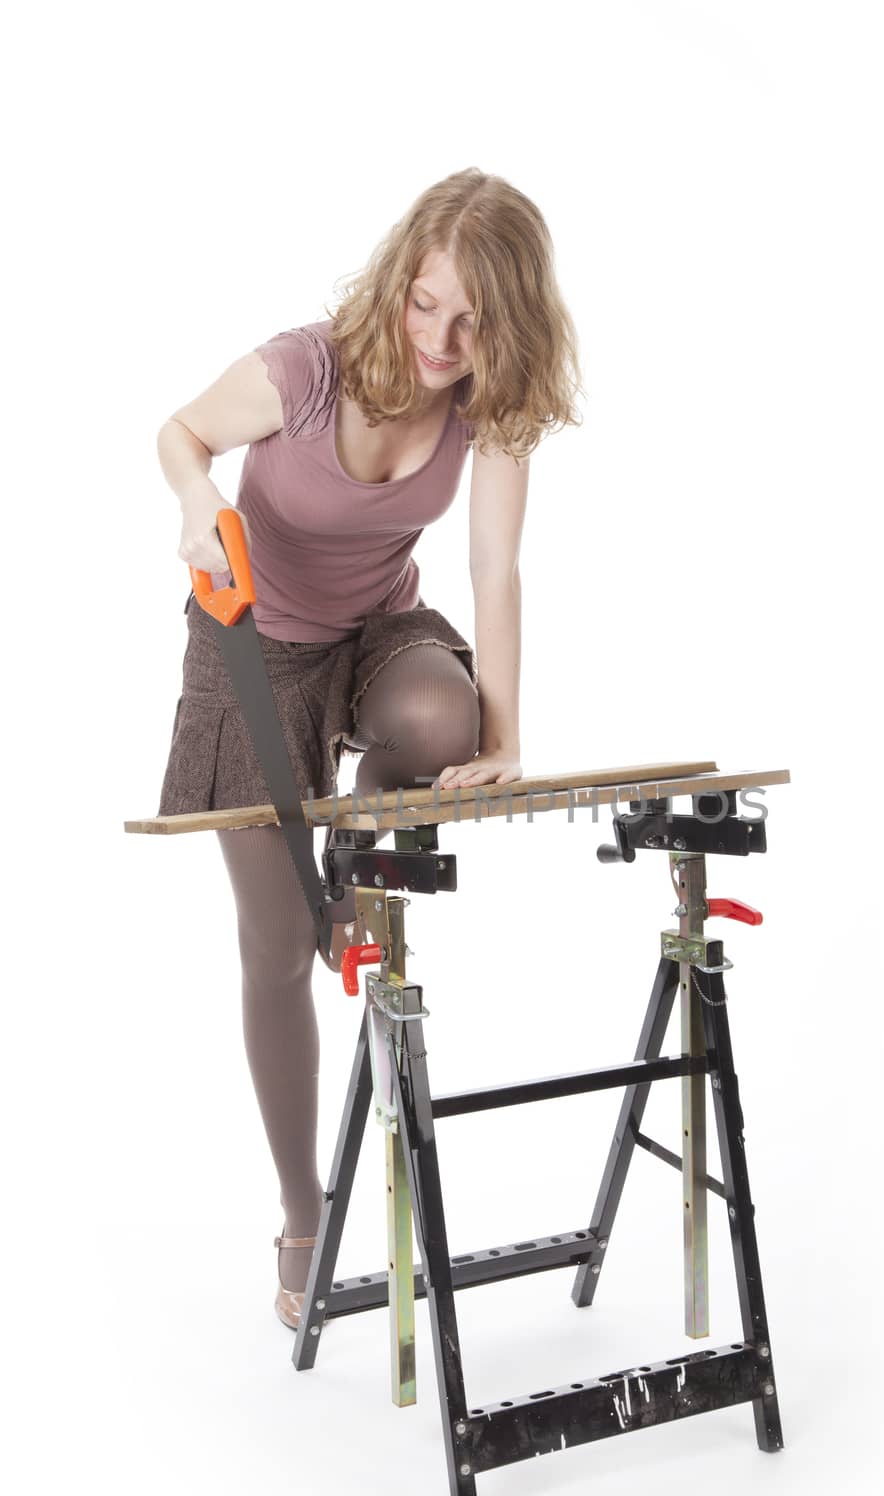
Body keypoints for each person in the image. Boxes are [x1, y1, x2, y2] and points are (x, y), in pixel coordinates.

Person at [154, 168, 582, 1328]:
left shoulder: (489, 402)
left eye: (474, 318)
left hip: (376, 634)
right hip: (257, 646)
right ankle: (302, 1212)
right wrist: (198, 503)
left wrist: (502, 737)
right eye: (427, 305)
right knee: (279, 944)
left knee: (447, 724)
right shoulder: (307, 367)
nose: (443, 340)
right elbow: (180, 431)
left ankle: (356, 859)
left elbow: (494, 567)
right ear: (400, 282)